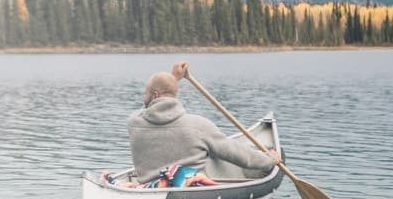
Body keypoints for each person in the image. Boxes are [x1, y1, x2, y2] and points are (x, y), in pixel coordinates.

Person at [106, 62, 282, 189]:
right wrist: (270, 159)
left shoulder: (134, 123)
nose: (143, 97)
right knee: (217, 153)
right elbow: (241, 156)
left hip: (150, 188)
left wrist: (173, 78)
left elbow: (145, 108)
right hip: (191, 189)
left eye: (146, 92)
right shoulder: (199, 126)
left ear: (154, 94)